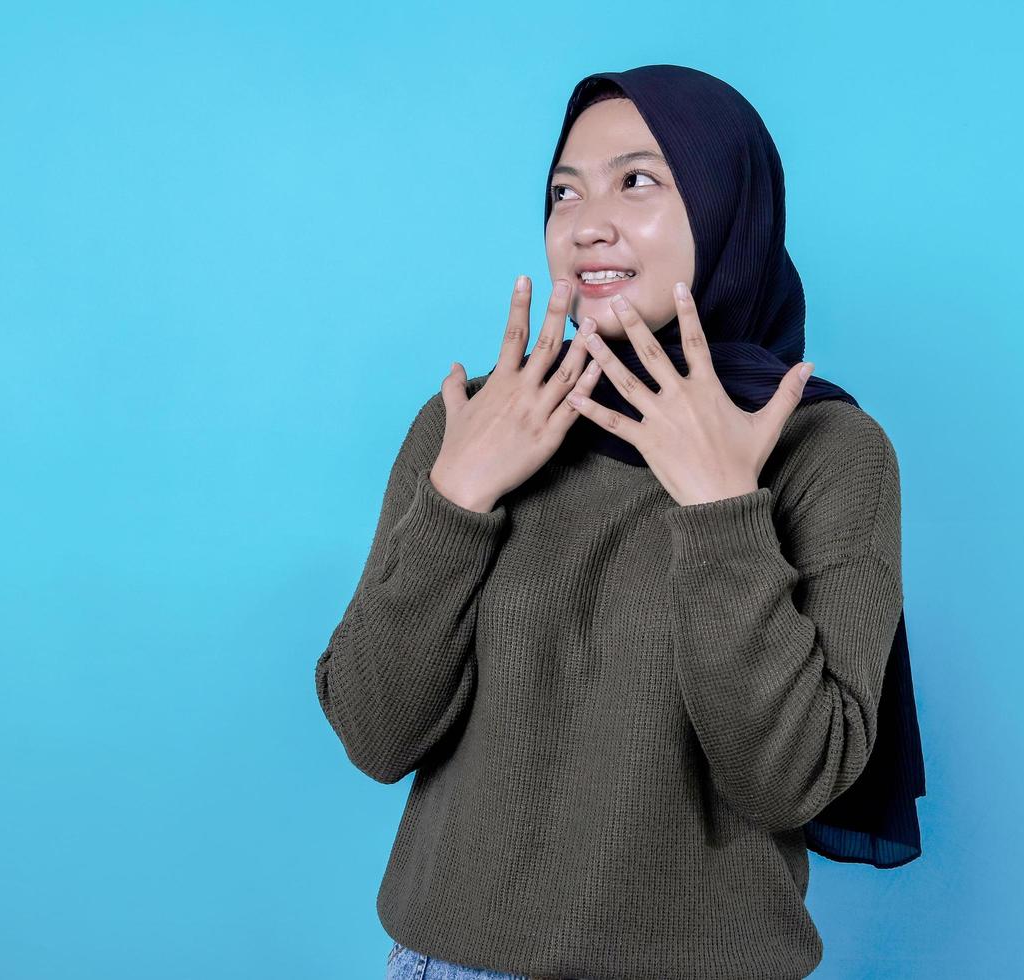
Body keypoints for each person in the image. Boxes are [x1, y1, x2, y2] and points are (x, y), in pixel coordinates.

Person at [316, 64, 926, 980]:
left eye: (638, 181)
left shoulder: (826, 451)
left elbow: (790, 778)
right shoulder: (475, 421)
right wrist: (458, 500)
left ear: (729, 209)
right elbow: (375, 730)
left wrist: (723, 509)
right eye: (565, 191)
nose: (586, 223)